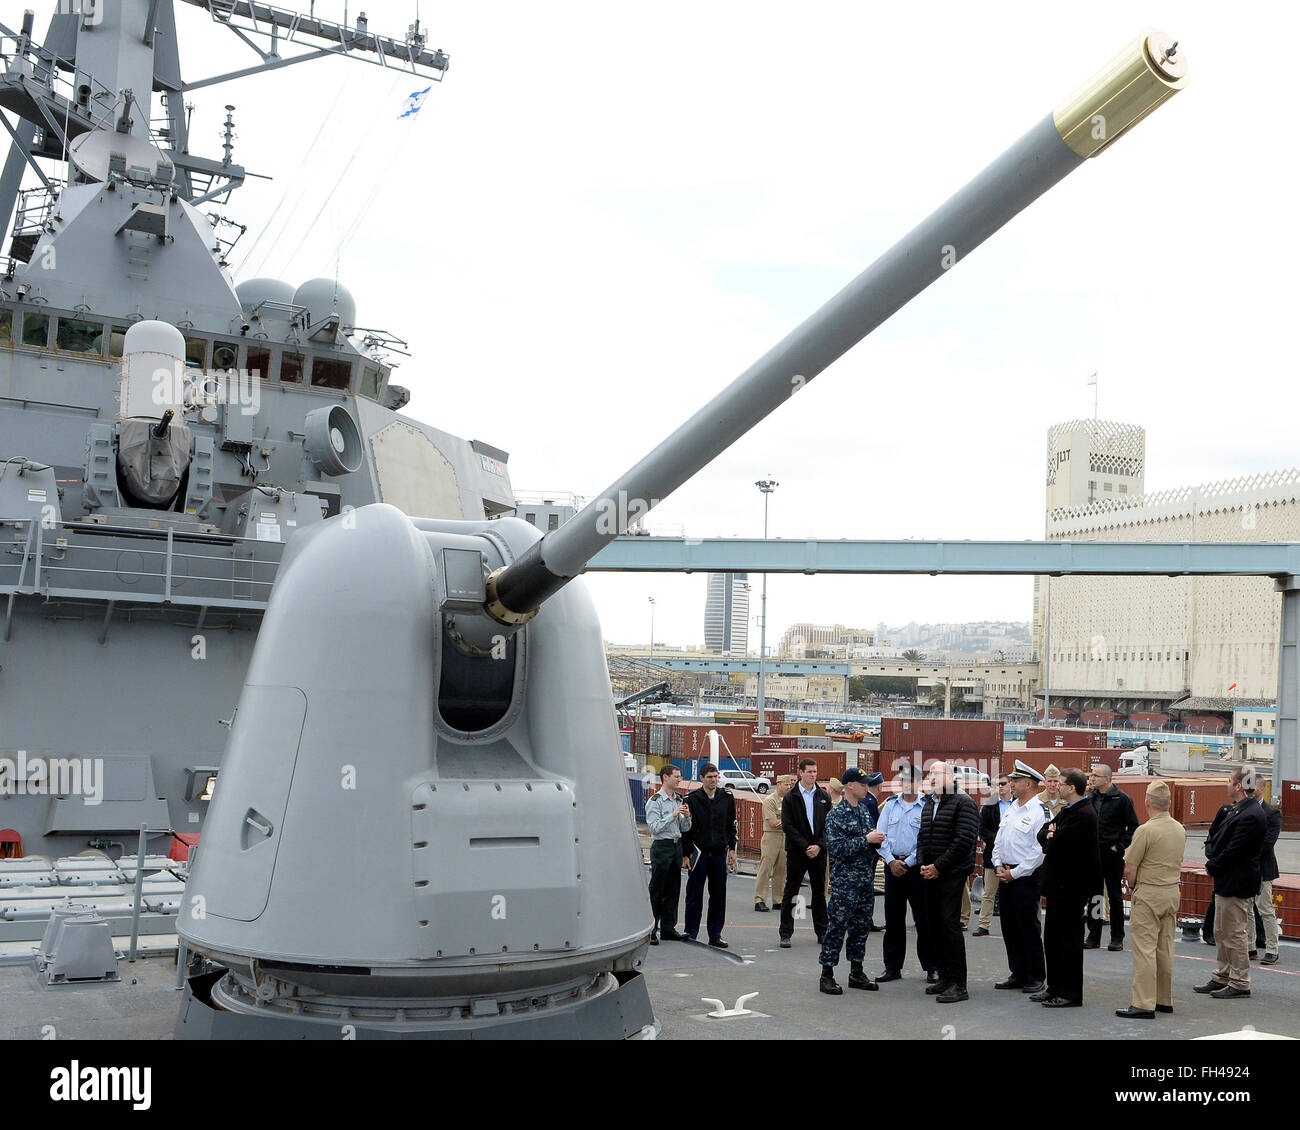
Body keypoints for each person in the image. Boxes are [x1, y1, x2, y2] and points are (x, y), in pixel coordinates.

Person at [1115, 779, 1186, 1019]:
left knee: (1144, 949)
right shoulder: (1179, 828)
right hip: (1171, 892)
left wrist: (1133, 887)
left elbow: (1130, 868)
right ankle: (1164, 999)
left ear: (1147, 802)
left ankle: (1144, 1003)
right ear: (1167, 803)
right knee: (1164, 948)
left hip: (1149, 892)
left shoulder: (1145, 830)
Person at [1194, 767, 1267, 999]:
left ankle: (1240, 982)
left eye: (1228, 781)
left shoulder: (1251, 815)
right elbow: (1218, 839)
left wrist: (1211, 865)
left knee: (1234, 933)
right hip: (1227, 881)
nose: (1226, 785)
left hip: (1237, 882)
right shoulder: (1239, 810)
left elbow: (1235, 850)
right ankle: (1223, 976)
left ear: (1238, 786)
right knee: (1221, 931)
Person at [817, 768, 885, 994]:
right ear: (849, 786)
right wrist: (866, 840)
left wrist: (877, 842)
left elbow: (867, 843)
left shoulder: (864, 811)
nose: (867, 787)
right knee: (837, 926)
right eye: (862, 784)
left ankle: (856, 971)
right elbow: (836, 849)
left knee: (861, 927)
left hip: (865, 880)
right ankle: (826, 974)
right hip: (845, 882)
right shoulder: (836, 815)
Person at [1035, 767, 1099, 1008]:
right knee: (1052, 940)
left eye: (1060, 783)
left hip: (1070, 889)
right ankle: (1054, 987)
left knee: (1068, 942)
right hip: (1057, 888)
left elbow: (1059, 847)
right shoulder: (1067, 811)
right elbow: (1043, 834)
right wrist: (1051, 836)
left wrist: (1053, 838)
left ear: (1071, 788)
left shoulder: (1084, 814)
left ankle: (1070, 993)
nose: (1056, 787)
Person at [918, 762, 979, 1004]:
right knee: (934, 925)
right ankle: (943, 976)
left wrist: (938, 867)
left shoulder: (963, 803)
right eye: (929, 774)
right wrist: (924, 863)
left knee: (949, 925)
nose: (931, 778)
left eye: (936, 774)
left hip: (951, 874)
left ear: (949, 777)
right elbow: (922, 836)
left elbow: (963, 840)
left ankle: (958, 984)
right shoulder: (930, 802)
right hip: (931, 873)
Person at [875, 763, 937, 984]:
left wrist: (908, 862)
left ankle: (931, 967)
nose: (907, 784)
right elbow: (880, 836)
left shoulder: (927, 806)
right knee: (893, 921)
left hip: (917, 869)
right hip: (893, 868)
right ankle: (892, 967)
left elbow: (926, 840)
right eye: (904, 780)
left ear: (919, 782)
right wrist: (891, 861)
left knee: (924, 920)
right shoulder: (891, 805)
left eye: (911, 780)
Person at [990, 760, 1047, 997]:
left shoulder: (1040, 812)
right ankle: (1018, 972)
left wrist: (1014, 873)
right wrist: (997, 865)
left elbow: (1039, 851)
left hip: (1025, 878)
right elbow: (999, 841)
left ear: (1029, 783)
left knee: (1028, 927)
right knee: (1009, 927)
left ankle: (1035, 976)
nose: (1011, 784)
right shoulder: (1012, 807)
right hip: (1005, 873)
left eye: (1015, 780)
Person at [778, 759, 832, 949]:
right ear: (800, 773)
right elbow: (788, 825)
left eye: (815, 771)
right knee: (792, 892)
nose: (813, 775)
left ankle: (822, 931)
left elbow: (829, 826)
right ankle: (786, 933)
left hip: (818, 851)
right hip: (797, 852)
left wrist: (818, 846)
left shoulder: (823, 796)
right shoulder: (791, 797)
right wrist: (805, 846)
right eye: (809, 771)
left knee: (819, 892)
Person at [682, 763, 736, 948]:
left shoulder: (727, 797)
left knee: (718, 896)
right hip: (699, 853)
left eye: (715, 776)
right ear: (702, 778)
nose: (713, 780)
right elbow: (686, 830)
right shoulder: (691, 798)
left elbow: (731, 825)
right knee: (694, 894)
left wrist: (733, 849)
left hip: (719, 853)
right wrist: (685, 854)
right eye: (710, 777)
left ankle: (715, 934)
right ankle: (691, 932)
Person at [1086, 763, 1139, 952]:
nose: (1091, 778)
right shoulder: (1090, 797)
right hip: (1093, 853)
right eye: (1091, 775)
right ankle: (1093, 935)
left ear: (1107, 779)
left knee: (1115, 896)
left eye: (1095, 775)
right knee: (1095, 895)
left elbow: (1133, 826)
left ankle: (1117, 937)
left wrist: (1119, 846)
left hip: (1112, 854)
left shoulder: (1122, 799)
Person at [646, 765, 692, 943]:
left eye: (680, 777)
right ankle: (651, 929)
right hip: (662, 846)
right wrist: (672, 815)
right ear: (665, 777)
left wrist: (687, 816)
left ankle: (668, 927)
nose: (679, 780)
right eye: (676, 777)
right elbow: (654, 828)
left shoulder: (678, 799)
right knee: (658, 889)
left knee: (673, 888)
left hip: (676, 846)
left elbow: (685, 828)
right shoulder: (655, 801)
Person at [972, 773, 1011, 937]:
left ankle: (1012, 925)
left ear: (1010, 784)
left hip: (1015, 854)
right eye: (997, 784)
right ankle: (983, 924)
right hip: (993, 855)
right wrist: (999, 839)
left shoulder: (1019, 804)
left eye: (1003, 784)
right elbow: (982, 829)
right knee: (989, 892)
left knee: (1012, 893)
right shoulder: (988, 805)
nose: (1000, 787)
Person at [754, 775, 793, 912]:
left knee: (782, 870)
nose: (789, 787)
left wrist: (785, 820)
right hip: (771, 837)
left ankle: (778, 900)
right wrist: (789, 821)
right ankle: (759, 899)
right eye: (786, 785)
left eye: (790, 785)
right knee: (765, 869)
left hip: (785, 837)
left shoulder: (791, 801)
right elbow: (773, 823)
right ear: (779, 784)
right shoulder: (770, 801)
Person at [1256, 797, 1282, 965]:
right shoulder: (1240, 808)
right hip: (1245, 869)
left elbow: (1268, 842)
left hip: (1263, 869)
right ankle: (1250, 947)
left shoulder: (1272, 813)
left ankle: (1272, 949)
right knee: (1247, 912)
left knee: (1265, 910)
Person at [863, 771, 884, 931]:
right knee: (867, 887)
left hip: (867, 849)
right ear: (879, 786)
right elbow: (873, 828)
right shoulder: (870, 802)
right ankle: (866, 921)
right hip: (870, 850)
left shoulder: (868, 799)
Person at [823, 778, 844, 900]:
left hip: (837, 844)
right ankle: (822, 896)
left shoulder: (842, 805)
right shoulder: (825, 802)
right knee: (824, 872)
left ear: (832, 789)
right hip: (825, 842)